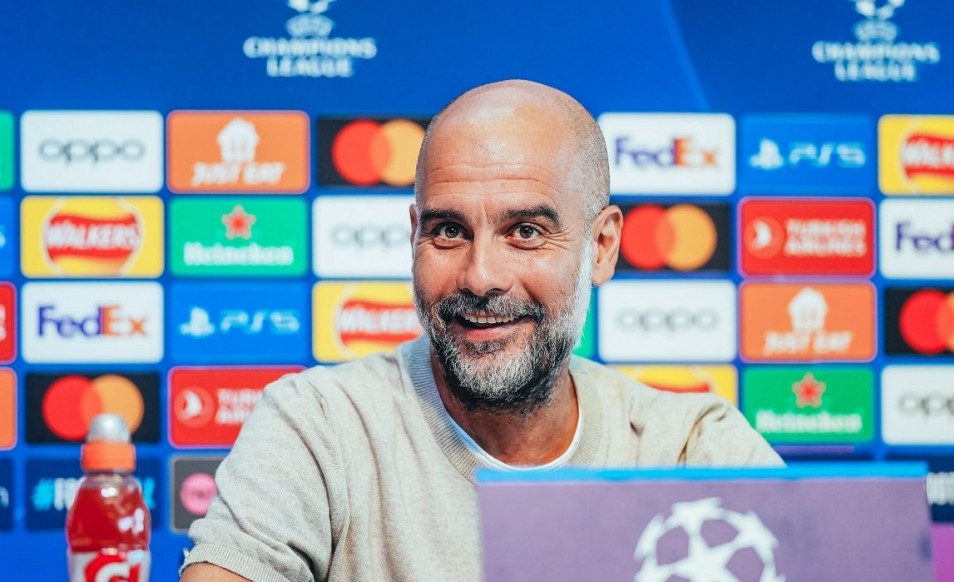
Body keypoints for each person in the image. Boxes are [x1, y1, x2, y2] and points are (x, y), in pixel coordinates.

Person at [181, 79, 781, 581]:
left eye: (525, 232)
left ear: (601, 247)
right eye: (448, 232)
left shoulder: (690, 449)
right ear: (414, 236)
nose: (481, 276)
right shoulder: (319, 426)